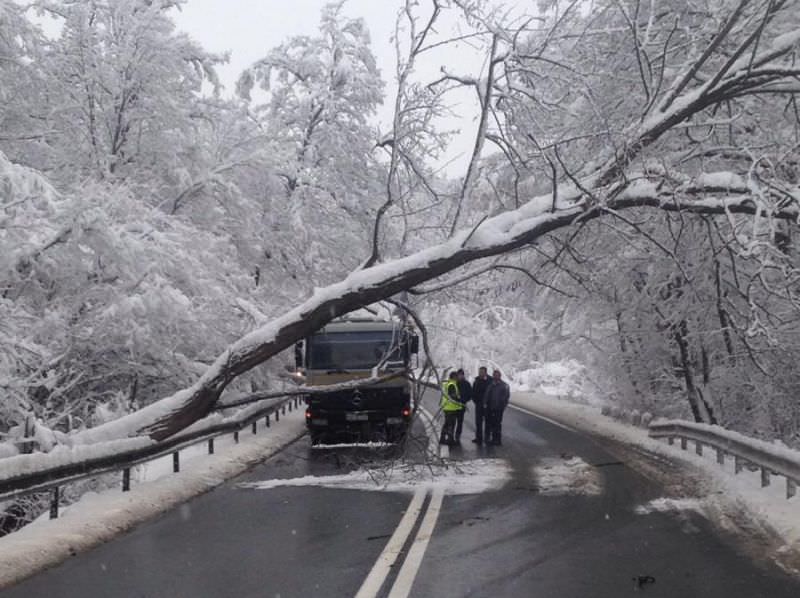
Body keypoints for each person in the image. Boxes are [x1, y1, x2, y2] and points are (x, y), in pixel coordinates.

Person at [484, 369, 510, 446]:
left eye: (497, 375)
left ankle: (497, 440)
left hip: (498, 408)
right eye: (494, 375)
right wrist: (485, 402)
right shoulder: (490, 385)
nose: (495, 376)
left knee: (497, 424)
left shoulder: (504, 385)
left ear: (500, 376)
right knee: (491, 424)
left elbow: (506, 397)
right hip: (490, 407)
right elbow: (487, 394)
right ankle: (492, 439)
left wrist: (502, 405)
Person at [439, 371, 463, 446]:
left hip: (448, 408)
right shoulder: (452, 384)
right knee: (451, 425)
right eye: (457, 376)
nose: (459, 377)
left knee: (447, 424)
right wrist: (459, 398)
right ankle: (450, 440)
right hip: (450, 408)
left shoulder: (449, 383)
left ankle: (443, 439)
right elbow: (453, 396)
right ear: (454, 377)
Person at [471, 366, 491, 445]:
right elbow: (473, 391)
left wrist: (488, 403)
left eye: (482, 372)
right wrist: (475, 400)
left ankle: (487, 438)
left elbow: (491, 392)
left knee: (487, 422)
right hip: (478, 404)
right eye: (479, 372)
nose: (480, 373)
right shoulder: (476, 380)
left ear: (485, 372)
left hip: (487, 405)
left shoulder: (490, 380)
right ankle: (478, 438)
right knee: (478, 422)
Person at [454, 369, 472, 443]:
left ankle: (457, 436)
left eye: (461, 375)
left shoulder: (467, 384)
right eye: (458, 375)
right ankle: (450, 436)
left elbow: (470, 394)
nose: (459, 376)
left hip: (462, 405)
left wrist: (464, 400)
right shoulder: (454, 383)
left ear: (463, 375)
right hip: (453, 405)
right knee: (452, 422)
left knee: (460, 422)